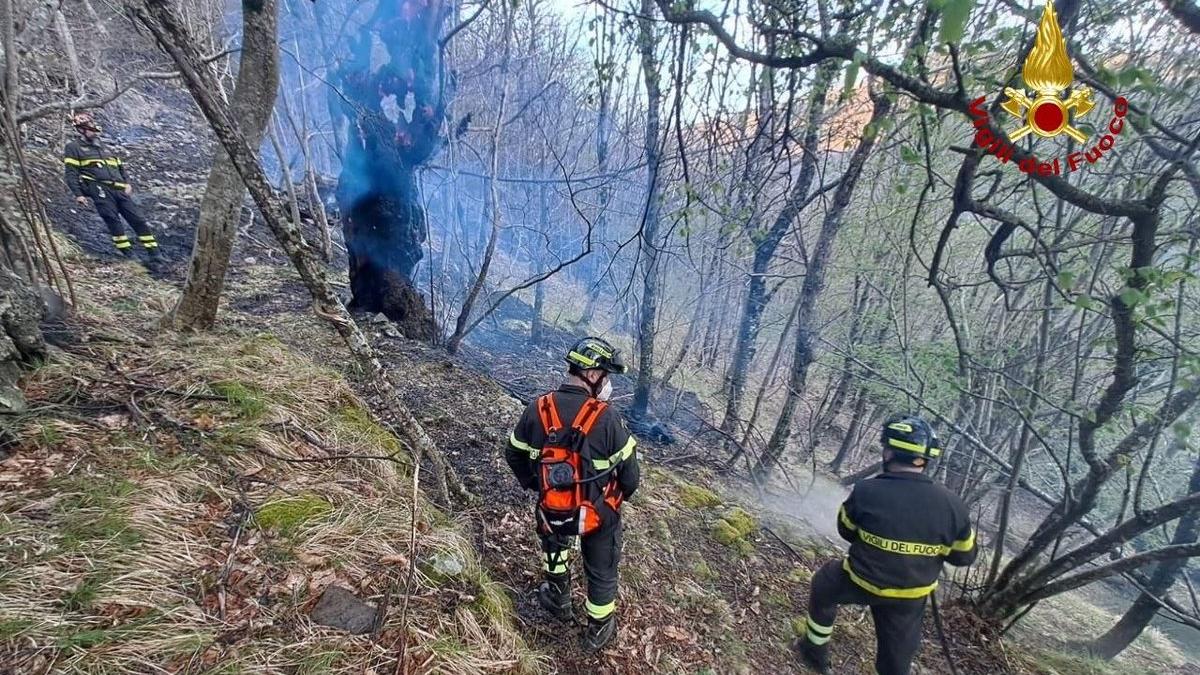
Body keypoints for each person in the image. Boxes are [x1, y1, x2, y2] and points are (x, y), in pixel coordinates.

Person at [795, 415, 977, 675]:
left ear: (889, 453)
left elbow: (846, 530)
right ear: (925, 460)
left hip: (860, 581)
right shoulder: (953, 505)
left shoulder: (866, 490)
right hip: (910, 596)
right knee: (897, 659)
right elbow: (964, 557)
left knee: (824, 584)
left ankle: (814, 651)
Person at [505, 337, 640, 650]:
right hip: (597, 515)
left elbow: (513, 454)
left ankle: (558, 597)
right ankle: (598, 629)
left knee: (554, 540)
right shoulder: (607, 418)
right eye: (605, 376)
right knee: (602, 566)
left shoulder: (538, 409)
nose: (607, 385)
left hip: (552, 509)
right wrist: (611, 499)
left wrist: (538, 485)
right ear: (591, 374)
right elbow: (631, 477)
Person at [63, 112, 162, 264]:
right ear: (81, 130)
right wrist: (78, 194)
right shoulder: (73, 147)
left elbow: (120, 168)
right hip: (99, 188)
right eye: (90, 130)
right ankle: (128, 253)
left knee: (138, 219)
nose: (94, 132)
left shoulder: (105, 147)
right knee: (112, 218)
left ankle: (155, 253)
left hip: (120, 189)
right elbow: (71, 173)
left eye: (94, 129)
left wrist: (127, 183)